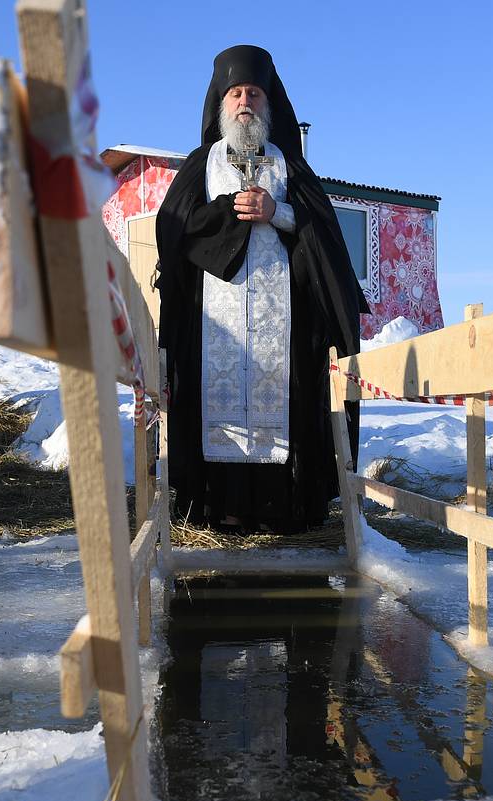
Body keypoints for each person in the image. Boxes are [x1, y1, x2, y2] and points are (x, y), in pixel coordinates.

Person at [155, 45, 366, 533]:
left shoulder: (290, 168)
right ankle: (216, 510)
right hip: (213, 323)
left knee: (287, 404)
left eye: (253, 92)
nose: (245, 100)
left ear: (268, 105)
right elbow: (174, 229)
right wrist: (228, 213)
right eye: (235, 93)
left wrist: (281, 213)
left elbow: (326, 240)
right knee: (213, 406)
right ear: (221, 105)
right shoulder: (200, 165)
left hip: (284, 324)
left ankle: (286, 512)